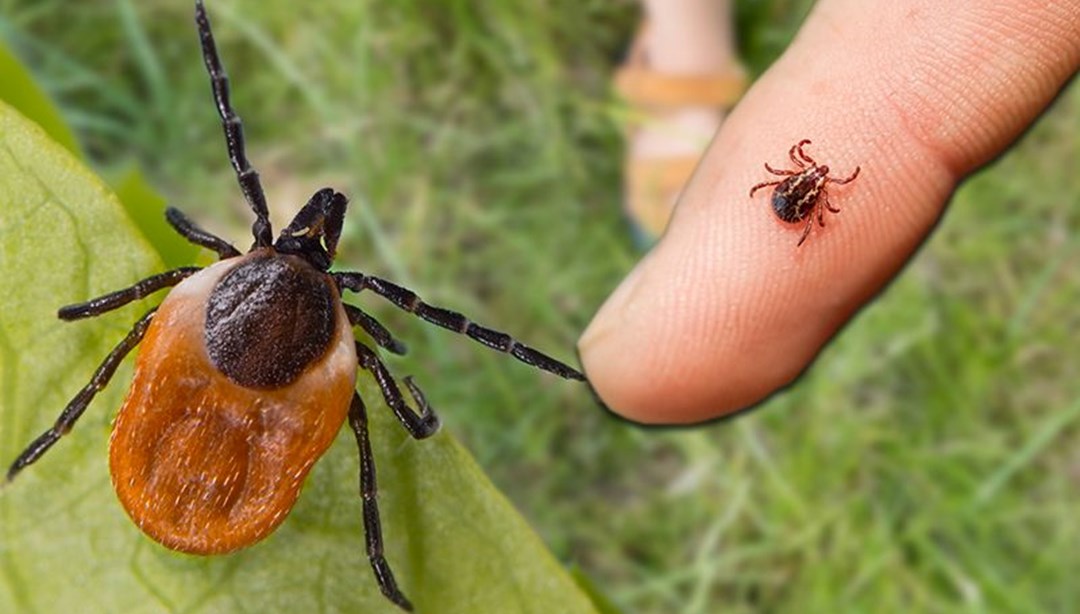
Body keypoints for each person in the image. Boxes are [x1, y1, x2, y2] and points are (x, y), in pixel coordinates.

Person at [580, 0, 1080, 424]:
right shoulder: (809, 187)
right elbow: (797, 189)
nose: (815, 175)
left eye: (814, 174)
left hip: (782, 204)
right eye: (812, 171)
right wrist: (801, 207)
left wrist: (793, 199)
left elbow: (780, 180)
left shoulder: (800, 182)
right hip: (786, 207)